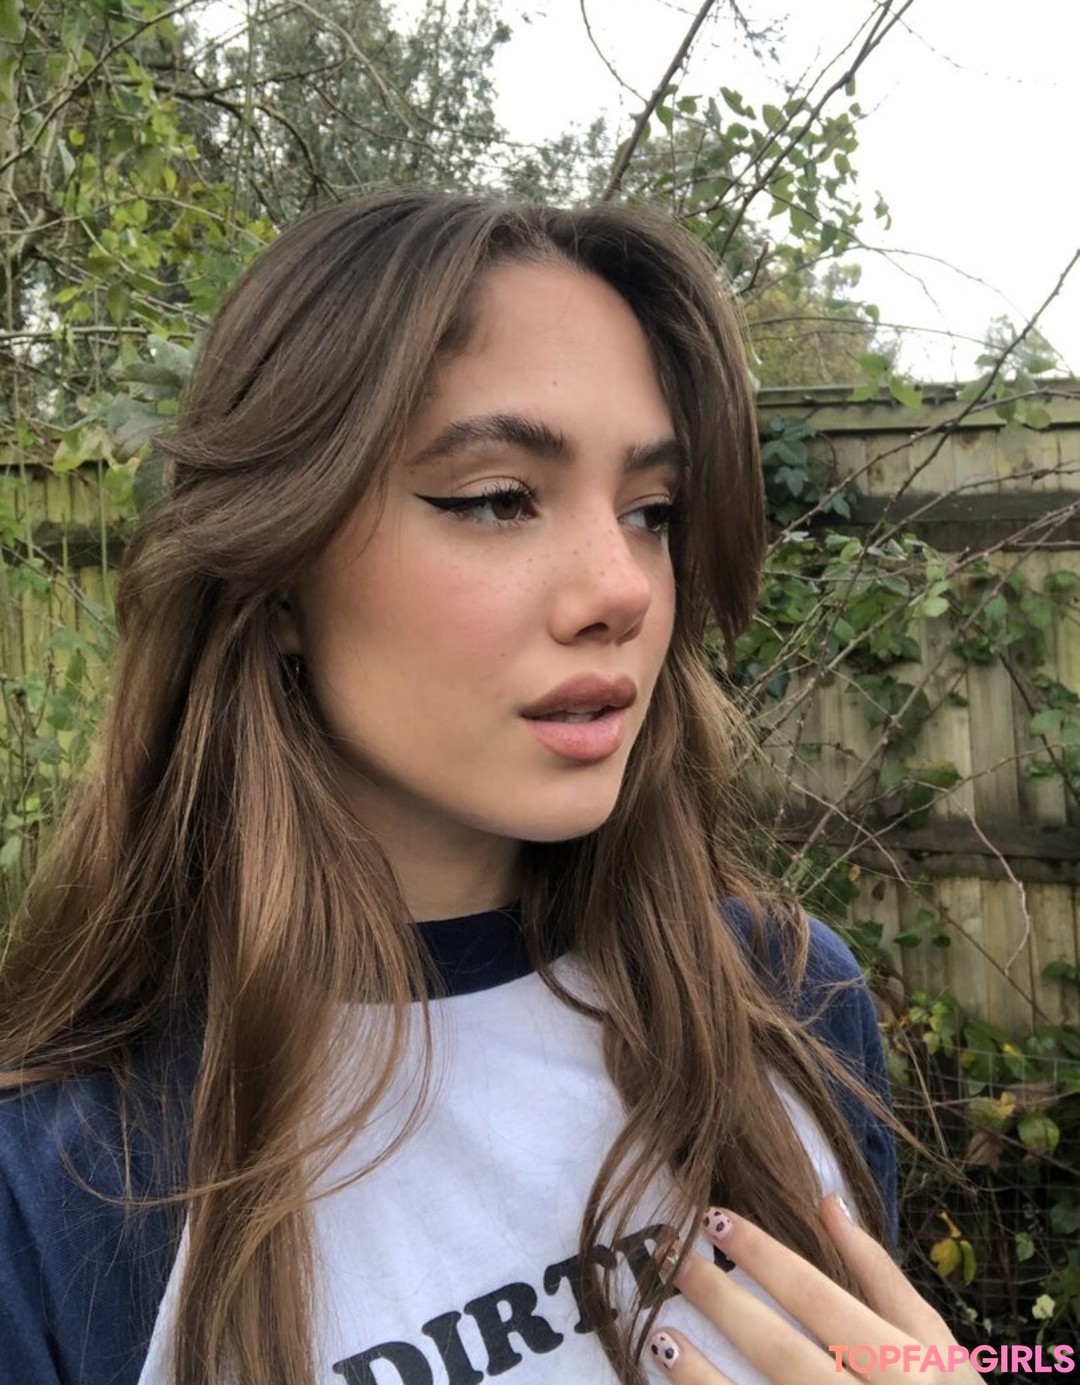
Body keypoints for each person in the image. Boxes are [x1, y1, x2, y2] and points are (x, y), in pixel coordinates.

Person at [0, 191, 977, 1385]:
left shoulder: (787, 997)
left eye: (652, 512)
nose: (622, 588)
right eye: (498, 498)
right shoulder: (63, 1182)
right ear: (279, 565)